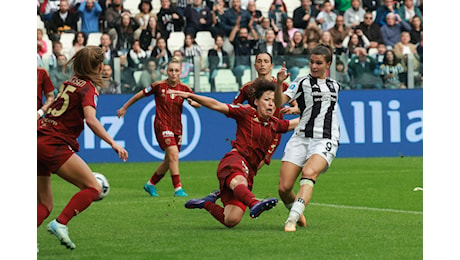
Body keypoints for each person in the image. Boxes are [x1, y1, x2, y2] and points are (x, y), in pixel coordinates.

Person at [37, 46, 129, 250]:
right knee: (94, 188)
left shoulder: (69, 83)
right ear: (98, 67)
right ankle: (60, 223)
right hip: (53, 142)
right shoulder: (88, 87)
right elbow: (91, 120)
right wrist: (113, 143)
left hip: (38, 138)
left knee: (44, 205)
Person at [179, 78, 299, 228]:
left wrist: (319, 111)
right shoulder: (246, 112)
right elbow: (217, 105)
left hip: (249, 171)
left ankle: (206, 203)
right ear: (256, 101)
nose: (271, 104)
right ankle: (254, 203)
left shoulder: (275, 124)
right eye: (267, 99)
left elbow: (299, 122)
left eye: (274, 101)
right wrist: (191, 96)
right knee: (239, 181)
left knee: (231, 220)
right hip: (235, 160)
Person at [274, 44, 340, 232]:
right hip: (301, 138)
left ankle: (291, 219)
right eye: (311, 62)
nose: (314, 66)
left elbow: (320, 107)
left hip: (325, 139)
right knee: (284, 188)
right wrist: (279, 83)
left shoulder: (336, 86)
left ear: (328, 64)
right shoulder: (301, 82)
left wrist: (298, 109)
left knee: (309, 173)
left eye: (319, 63)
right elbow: (279, 103)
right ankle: (299, 211)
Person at [116, 57, 201, 197]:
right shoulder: (158, 86)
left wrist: (194, 104)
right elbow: (139, 95)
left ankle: (150, 184)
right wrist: (125, 107)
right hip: (162, 125)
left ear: (180, 73)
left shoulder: (184, 89)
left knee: (169, 160)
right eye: (171, 70)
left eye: (176, 71)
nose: (173, 73)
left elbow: (197, 103)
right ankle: (178, 188)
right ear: (166, 71)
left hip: (177, 127)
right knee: (173, 154)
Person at [233, 52, 299, 166]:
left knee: (258, 163)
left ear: (272, 66)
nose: (262, 64)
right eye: (259, 61)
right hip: (253, 131)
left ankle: (240, 182)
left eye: (266, 61)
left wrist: (293, 109)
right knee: (247, 163)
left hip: (273, 131)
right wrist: (244, 108)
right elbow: (234, 106)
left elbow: (297, 106)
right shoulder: (248, 88)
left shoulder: (282, 85)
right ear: (254, 66)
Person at [229, 17, 258, 87]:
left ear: (247, 34)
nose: (243, 35)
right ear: (239, 34)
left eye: (245, 33)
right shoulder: (237, 42)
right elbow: (230, 39)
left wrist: (251, 27)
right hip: (238, 66)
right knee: (240, 69)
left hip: (248, 66)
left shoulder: (249, 42)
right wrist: (236, 27)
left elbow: (256, 38)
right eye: (241, 33)